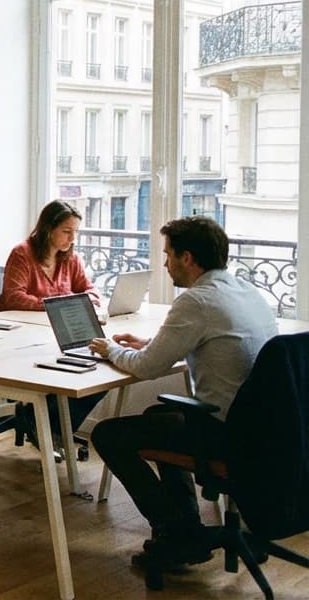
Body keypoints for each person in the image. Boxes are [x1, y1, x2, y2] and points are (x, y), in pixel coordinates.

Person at [88, 216, 277, 571]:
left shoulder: (197, 301)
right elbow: (213, 342)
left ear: (187, 258)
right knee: (157, 420)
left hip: (225, 432)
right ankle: (185, 527)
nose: (164, 264)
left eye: (168, 255)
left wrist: (110, 350)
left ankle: (175, 531)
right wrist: (153, 343)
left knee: (108, 434)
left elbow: (146, 368)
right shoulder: (244, 291)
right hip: (261, 429)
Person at [1, 200, 106, 448]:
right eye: (67, 232)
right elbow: (13, 297)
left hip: (57, 335)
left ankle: (50, 425)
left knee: (100, 372)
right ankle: (47, 426)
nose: (73, 238)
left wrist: (82, 300)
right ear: (49, 229)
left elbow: (90, 291)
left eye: (75, 232)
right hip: (22, 339)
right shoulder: (22, 253)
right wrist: (57, 304)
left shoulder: (70, 259)